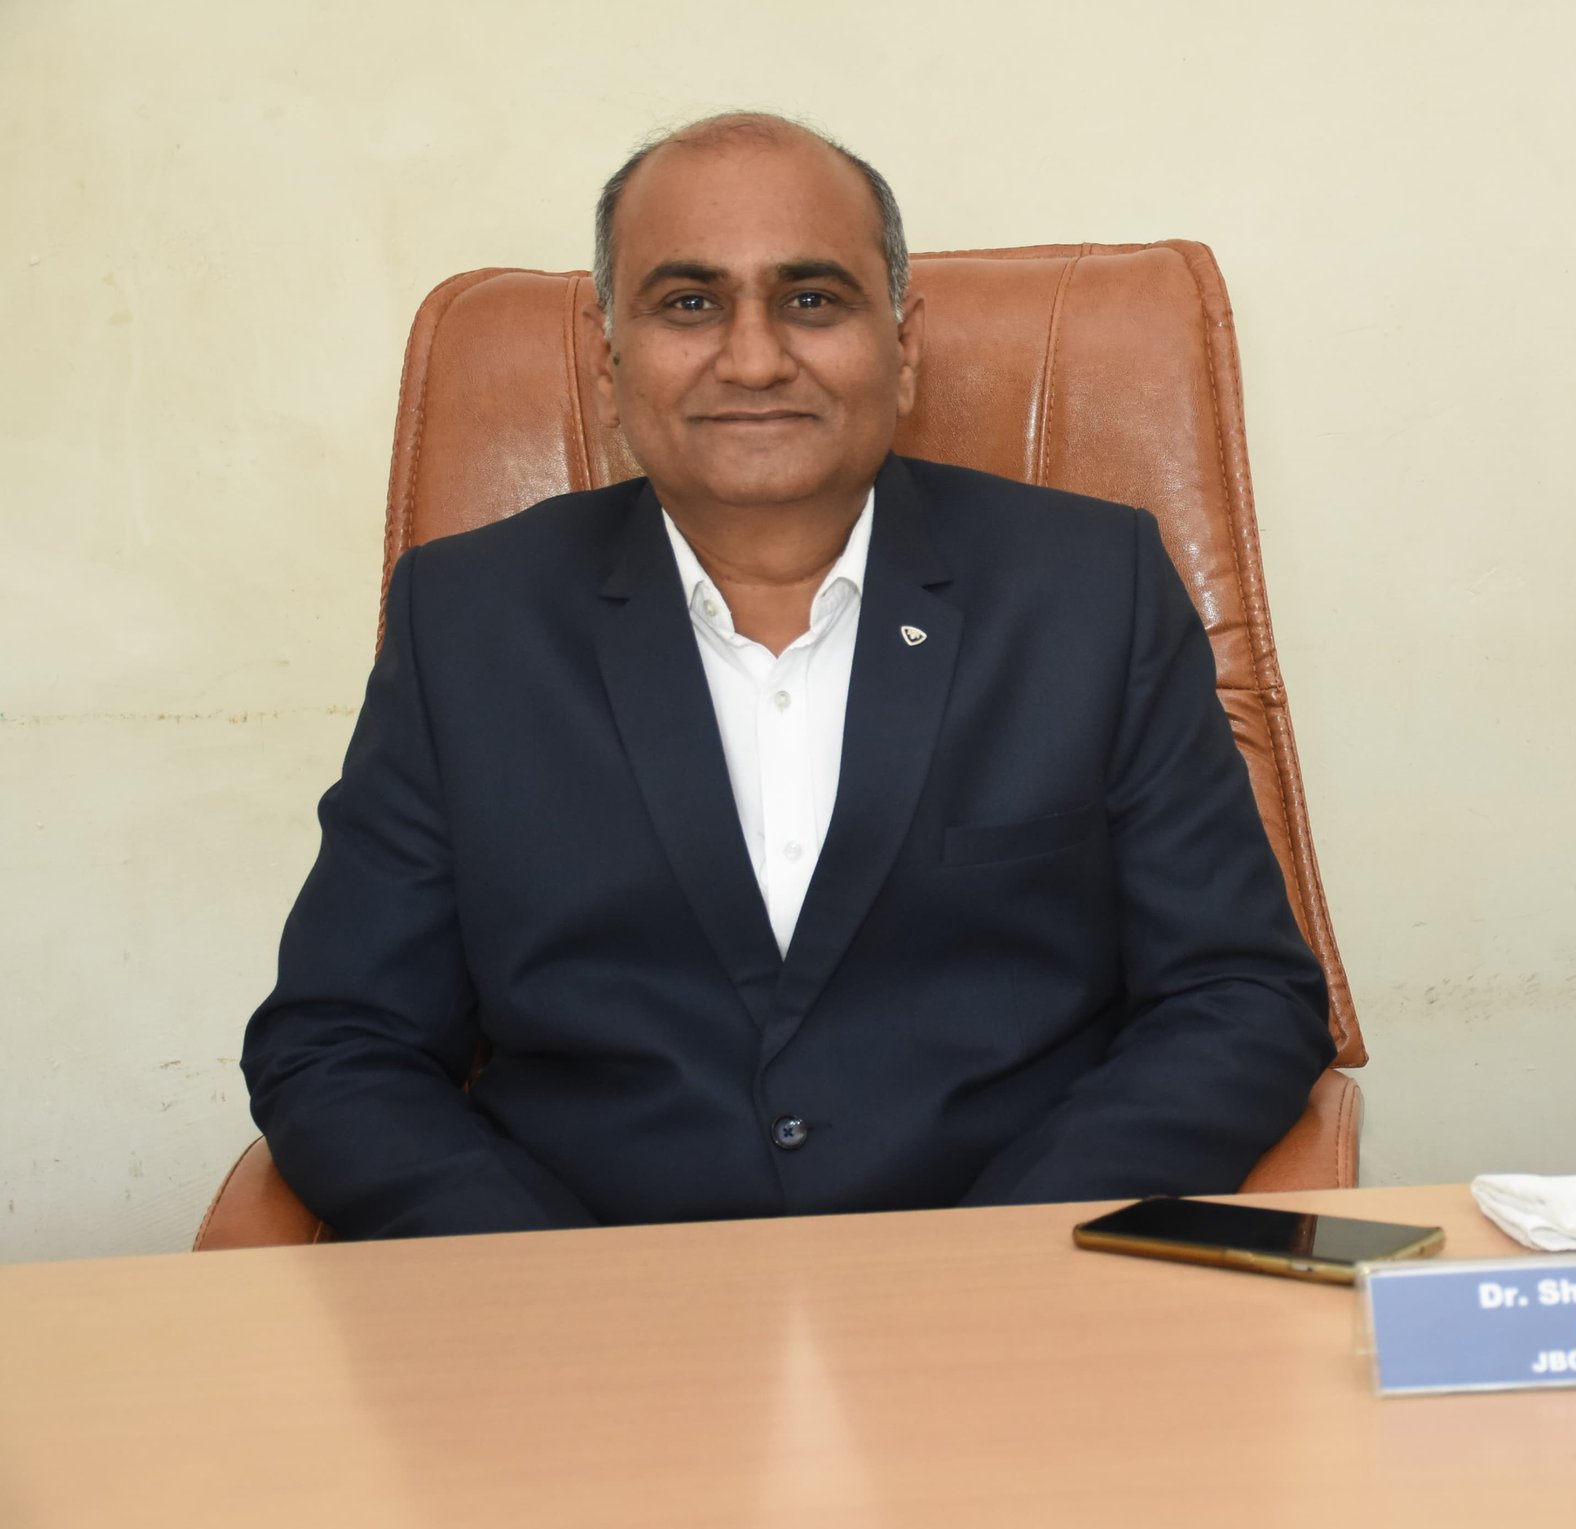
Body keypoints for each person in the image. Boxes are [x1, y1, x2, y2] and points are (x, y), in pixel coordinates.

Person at [242, 113, 1334, 1240]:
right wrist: (558, 1289)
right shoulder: (467, 619)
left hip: (1009, 1307)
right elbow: (338, 1042)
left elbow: (1237, 996)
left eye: (811, 298)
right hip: (592, 1324)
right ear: (606, 344)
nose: (754, 358)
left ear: (902, 342)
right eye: (688, 303)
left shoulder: (1088, 590)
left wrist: (998, 1263)